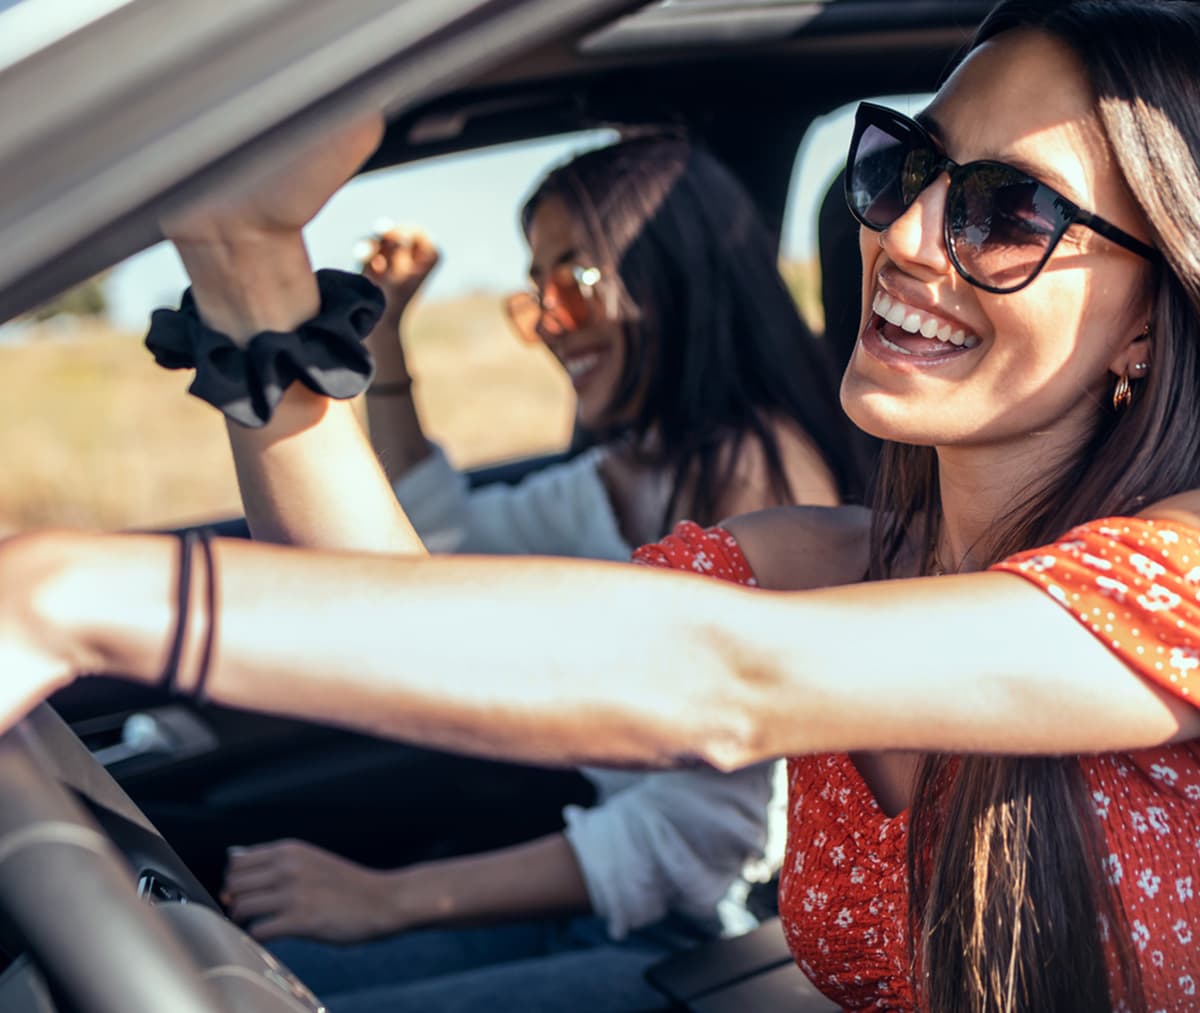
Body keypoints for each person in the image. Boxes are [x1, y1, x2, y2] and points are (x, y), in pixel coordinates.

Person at [4, 1, 1200, 1010]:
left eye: (1011, 212)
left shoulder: (1183, 576)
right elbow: (419, 630)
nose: (905, 231)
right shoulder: (821, 562)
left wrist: (72, 589)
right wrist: (246, 259)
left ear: (1152, 316)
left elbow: (729, 679)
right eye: (909, 166)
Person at [214, 137, 864, 1011]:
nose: (551, 321)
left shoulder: (766, 481)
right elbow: (440, 548)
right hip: (618, 892)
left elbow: (713, 835)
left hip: (723, 934)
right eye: (535, 293)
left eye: (575, 282)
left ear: (673, 279)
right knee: (261, 977)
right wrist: (389, 342)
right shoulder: (627, 469)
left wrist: (384, 897)